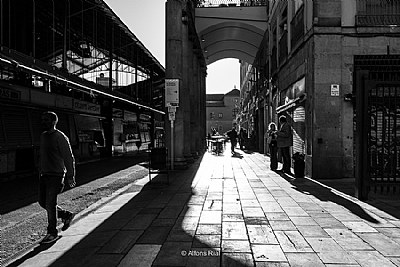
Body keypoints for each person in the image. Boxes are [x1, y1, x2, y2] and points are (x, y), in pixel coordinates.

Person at [39, 111, 76, 244]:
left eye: (46, 120)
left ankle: (52, 233)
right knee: (42, 202)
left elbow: (68, 157)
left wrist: (70, 176)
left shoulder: (60, 137)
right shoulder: (43, 136)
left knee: (50, 203)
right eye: (42, 119)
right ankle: (66, 215)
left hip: (56, 175)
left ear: (54, 122)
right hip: (44, 175)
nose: (43, 122)